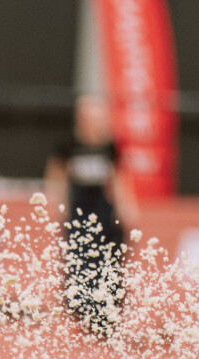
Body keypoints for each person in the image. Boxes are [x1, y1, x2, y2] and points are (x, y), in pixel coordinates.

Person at [45, 94, 138, 337]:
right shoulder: (69, 145)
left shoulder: (109, 147)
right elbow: (56, 174)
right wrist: (57, 205)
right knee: (79, 258)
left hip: (102, 210)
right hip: (79, 211)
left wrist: (126, 205)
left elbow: (119, 177)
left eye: (99, 117)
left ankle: (107, 310)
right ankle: (81, 309)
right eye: (90, 116)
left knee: (108, 258)